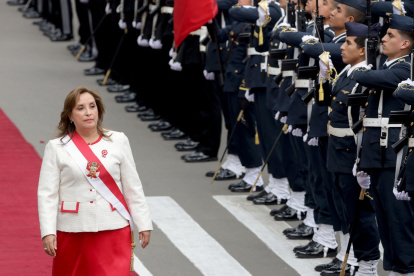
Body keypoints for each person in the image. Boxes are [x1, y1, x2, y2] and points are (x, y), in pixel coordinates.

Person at [38, 86, 153, 275]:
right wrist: (48, 232)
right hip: (73, 230)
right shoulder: (56, 148)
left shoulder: (118, 140)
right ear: (70, 116)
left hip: (113, 226)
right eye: (80, 108)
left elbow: (133, 186)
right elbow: (47, 194)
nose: (88, 112)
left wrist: (144, 223)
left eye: (92, 106)